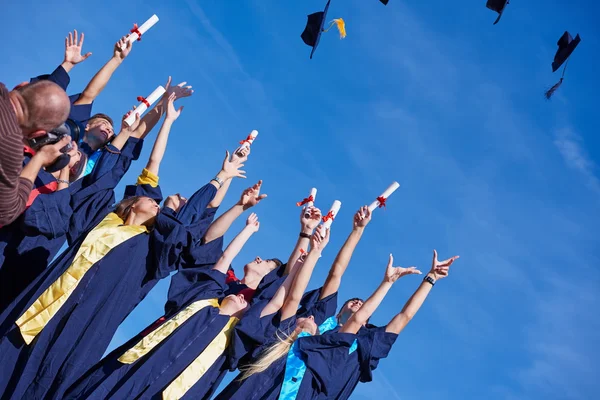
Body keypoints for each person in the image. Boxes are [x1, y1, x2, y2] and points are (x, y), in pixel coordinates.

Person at [0, 94, 238, 400]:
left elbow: (190, 222)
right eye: (151, 198)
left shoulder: (154, 252)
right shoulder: (104, 217)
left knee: (44, 383)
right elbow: (118, 170)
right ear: (133, 200)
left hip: (84, 328)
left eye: (160, 206)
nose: (156, 202)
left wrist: (221, 178)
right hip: (46, 303)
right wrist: (161, 120)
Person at [64, 213, 263, 400]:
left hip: (182, 371)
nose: (260, 258)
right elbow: (215, 248)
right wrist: (243, 216)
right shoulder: (213, 291)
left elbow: (284, 300)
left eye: (268, 263)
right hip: (157, 339)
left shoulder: (255, 311)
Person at [0, 113, 147, 311]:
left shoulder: (80, 183)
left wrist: (129, 130)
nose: (108, 130)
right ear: (86, 126)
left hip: (26, 249)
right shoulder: (53, 147)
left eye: (111, 130)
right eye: (103, 124)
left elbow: (115, 161)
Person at [0, 80, 70, 225]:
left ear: (20, 85)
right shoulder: (9, 145)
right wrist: (40, 158)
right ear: (37, 134)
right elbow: (6, 213)